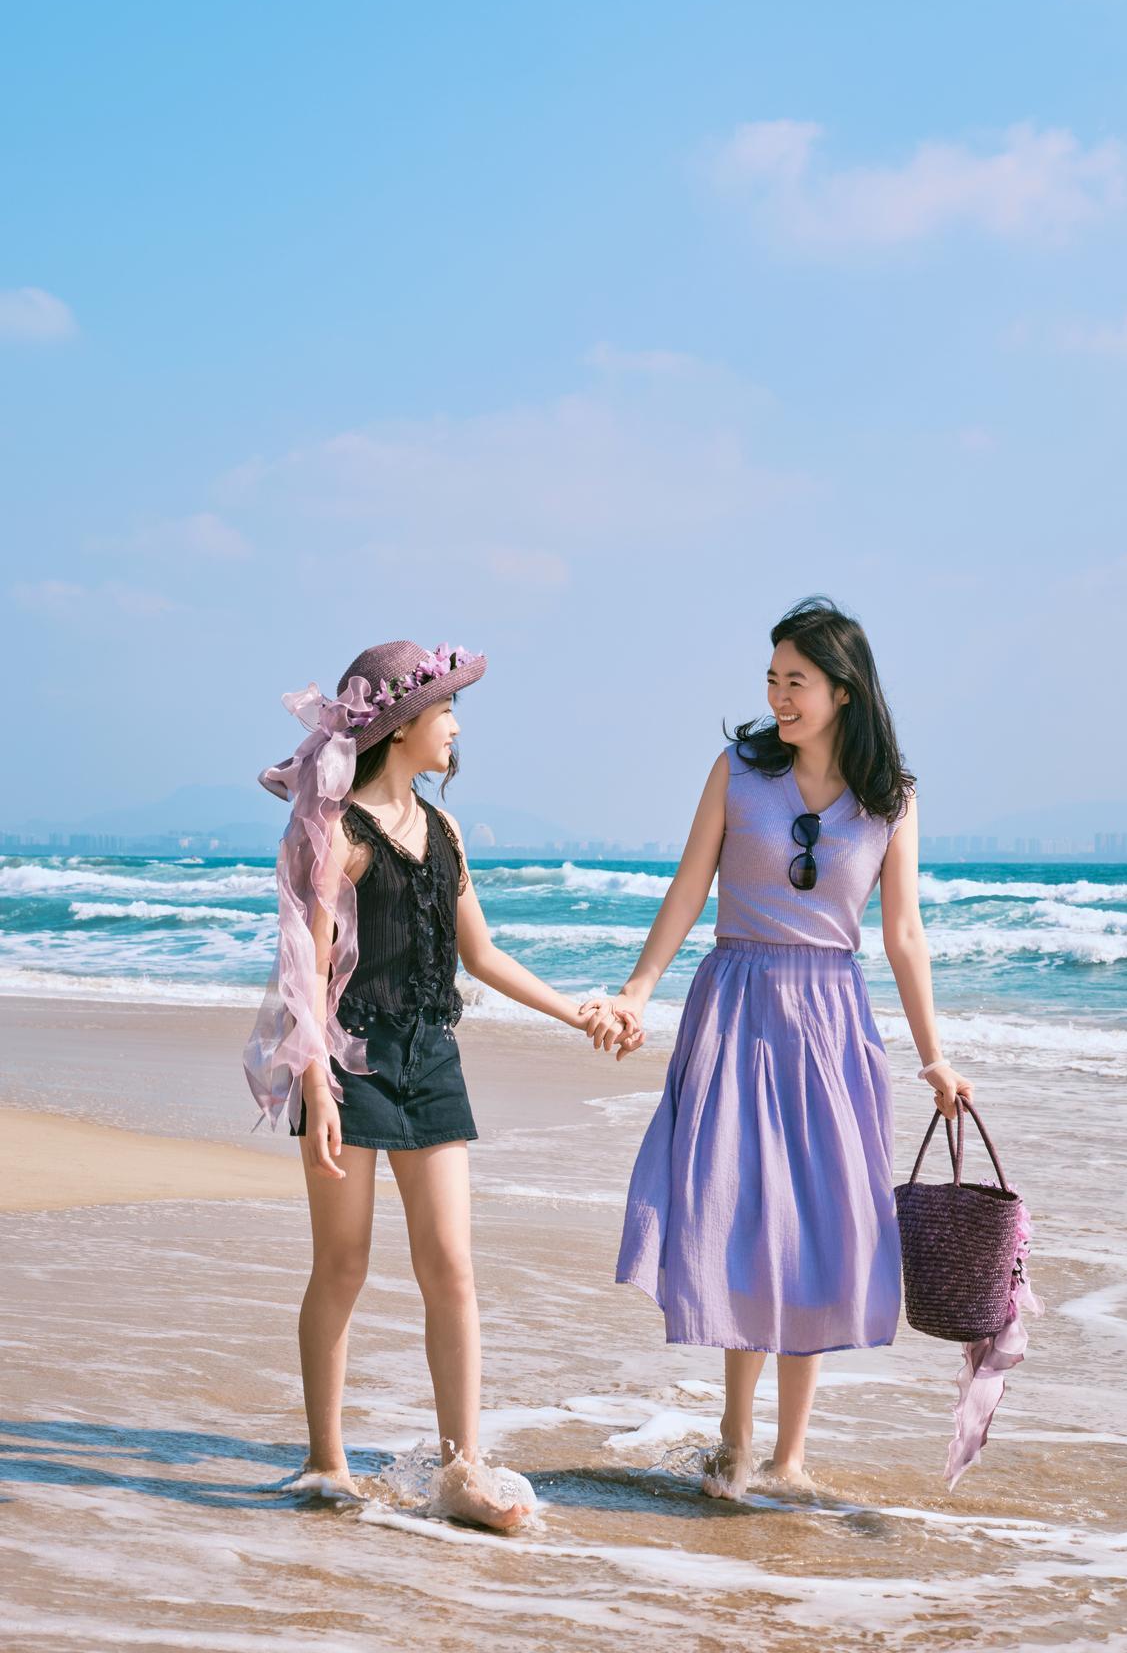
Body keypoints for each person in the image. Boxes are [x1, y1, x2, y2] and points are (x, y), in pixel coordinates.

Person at [244, 639, 633, 1530]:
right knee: (342, 1263)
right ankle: (325, 1462)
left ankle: (464, 1472)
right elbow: (304, 966)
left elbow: (481, 954)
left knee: (451, 1266)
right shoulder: (338, 833)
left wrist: (575, 1012)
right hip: (345, 1061)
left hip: (431, 1060)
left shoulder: (445, 831)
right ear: (401, 726)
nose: (456, 727)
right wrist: (315, 1079)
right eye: (447, 710)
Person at [612, 597, 972, 1496]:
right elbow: (689, 888)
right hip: (736, 1006)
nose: (778, 696)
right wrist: (639, 989)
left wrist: (933, 1055)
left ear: (843, 691)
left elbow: (905, 934)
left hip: (831, 1021)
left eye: (796, 681)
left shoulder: (892, 800)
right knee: (739, 1216)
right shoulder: (737, 771)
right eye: (772, 679)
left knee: (815, 1229)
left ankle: (790, 1456)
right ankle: (735, 1440)